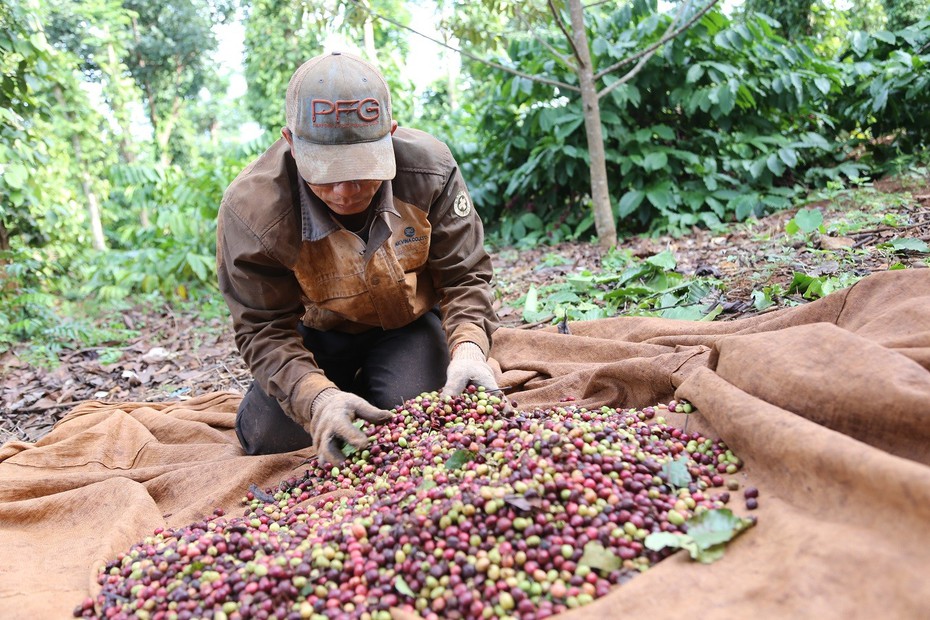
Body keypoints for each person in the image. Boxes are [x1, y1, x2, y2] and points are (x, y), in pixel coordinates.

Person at [216, 51, 502, 464]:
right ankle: (336, 390)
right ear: (292, 144)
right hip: (314, 336)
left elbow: (464, 277)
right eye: (328, 174)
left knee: (419, 414)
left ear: (390, 133)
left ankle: (387, 378)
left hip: (408, 324)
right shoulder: (253, 212)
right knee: (271, 437)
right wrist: (317, 400)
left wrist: (470, 349)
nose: (346, 191)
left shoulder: (430, 171)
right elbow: (263, 330)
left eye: (362, 168)